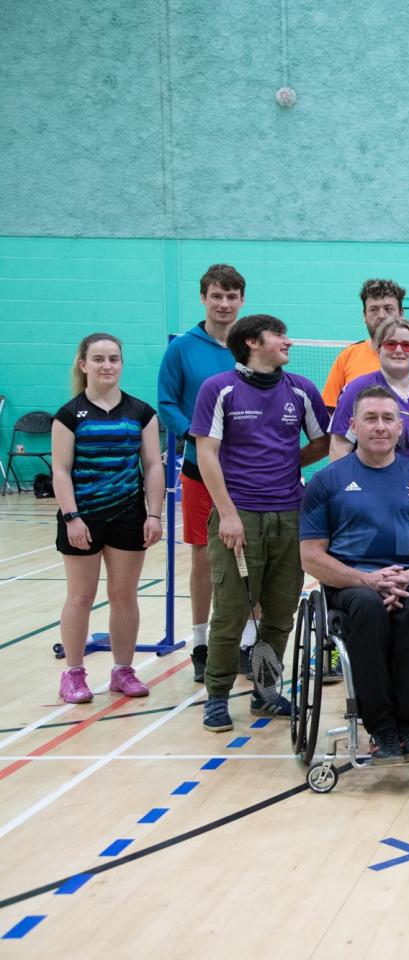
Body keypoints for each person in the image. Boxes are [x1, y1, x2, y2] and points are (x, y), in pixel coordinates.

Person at [190, 314, 330, 733]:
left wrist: (290, 465)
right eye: (278, 335)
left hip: (290, 514)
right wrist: (228, 514)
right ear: (253, 342)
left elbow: (323, 440)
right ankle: (216, 697)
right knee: (232, 612)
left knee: (281, 613)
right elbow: (207, 453)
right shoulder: (219, 389)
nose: (287, 340)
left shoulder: (301, 389)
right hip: (241, 516)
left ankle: (265, 692)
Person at [300, 387, 409, 764]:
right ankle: (382, 728)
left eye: (388, 419)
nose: (380, 427)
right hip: (353, 582)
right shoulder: (327, 482)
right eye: (371, 418)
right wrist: (368, 580)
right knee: (367, 608)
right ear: (353, 425)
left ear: (401, 427)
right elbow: (311, 557)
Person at [52, 334, 165, 703]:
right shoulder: (69, 415)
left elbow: (151, 466)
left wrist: (153, 514)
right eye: (98, 359)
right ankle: (73, 674)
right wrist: (72, 517)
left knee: (123, 594)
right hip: (82, 517)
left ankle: (123, 671)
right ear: (83, 364)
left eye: (114, 358)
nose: (107, 365)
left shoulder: (141, 412)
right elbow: (61, 470)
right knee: (81, 596)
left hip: (128, 516)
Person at [157, 263, 248, 682]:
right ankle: (200, 642)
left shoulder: (251, 342)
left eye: (232, 297)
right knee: (203, 555)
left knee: (251, 553)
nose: (224, 304)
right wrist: (197, 437)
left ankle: (249, 641)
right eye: (217, 296)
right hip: (198, 469)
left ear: (241, 300)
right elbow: (167, 404)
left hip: (248, 471)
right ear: (204, 299)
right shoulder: (181, 349)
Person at [329, 315, 409, 476]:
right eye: (390, 344)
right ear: (378, 350)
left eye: (407, 345)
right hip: (371, 490)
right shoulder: (356, 389)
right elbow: (339, 448)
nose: (399, 350)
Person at [320, 279, 409, 410]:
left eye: (388, 309)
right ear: (364, 315)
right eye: (374, 309)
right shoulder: (347, 356)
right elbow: (330, 410)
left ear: (401, 313)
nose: (381, 315)